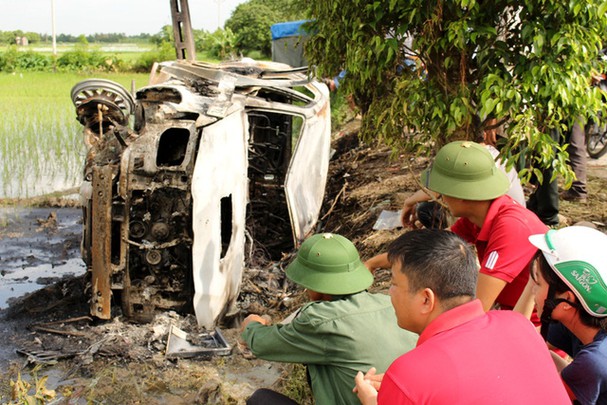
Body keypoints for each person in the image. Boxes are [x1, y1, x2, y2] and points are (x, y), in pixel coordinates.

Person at [353, 229, 570, 404]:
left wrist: (375, 400)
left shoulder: (408, 374)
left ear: (426, 299)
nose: (389, 292)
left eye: (393, 284)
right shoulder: (518, 324)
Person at [366, 141, 547, 317]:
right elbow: (429, 251)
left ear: (462, 195)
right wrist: (373, 263)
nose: (440, 196)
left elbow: (478, 310)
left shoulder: (510, 227)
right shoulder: (478, 216)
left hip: (536, 324)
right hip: (510, 312)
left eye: (443, 190)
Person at [240, 233, 418, 405]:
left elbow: (262, 345)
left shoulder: (321, 320)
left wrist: (251, 326)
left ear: (316, 285)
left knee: (260, 399)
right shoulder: (389, 304)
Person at [519, 226, 607, 403]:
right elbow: (520, 342)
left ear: (567, 299)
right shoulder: (577, 321)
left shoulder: (594, 361)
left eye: (538, 283)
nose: (533, 289)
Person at [402, 121, 526, 229]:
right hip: (508, 216)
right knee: (426, 209)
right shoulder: (488, 154)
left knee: (426, 210)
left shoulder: (474, 161)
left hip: (504, 221)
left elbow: (439, 190)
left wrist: (409, 202)